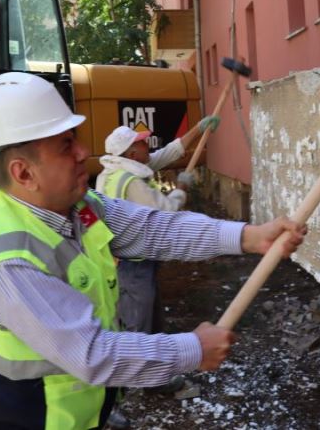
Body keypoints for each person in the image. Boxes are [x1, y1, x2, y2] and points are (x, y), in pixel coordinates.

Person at [0, 72, 306, 430]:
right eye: (65, 145)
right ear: (24, 173)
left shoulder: (77, 207)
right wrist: (193, 349)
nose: (82, 152)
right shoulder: (10, 266)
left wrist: (249, 236)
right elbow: (92, 353)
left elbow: (154, 228)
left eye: (74, 138)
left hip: (81, 410)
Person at [96, 120, 219, 427]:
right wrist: (182, 189)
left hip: (131, 261)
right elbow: (164, 212)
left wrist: (199, 129)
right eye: (140, 143)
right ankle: (109, 402)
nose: (146, 146)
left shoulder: (114, 171)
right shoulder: (132, 182)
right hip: (132, 265)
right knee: (134, 331)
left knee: (149, 323)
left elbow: (166, 153)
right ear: (131, 152)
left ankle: (154, 378)